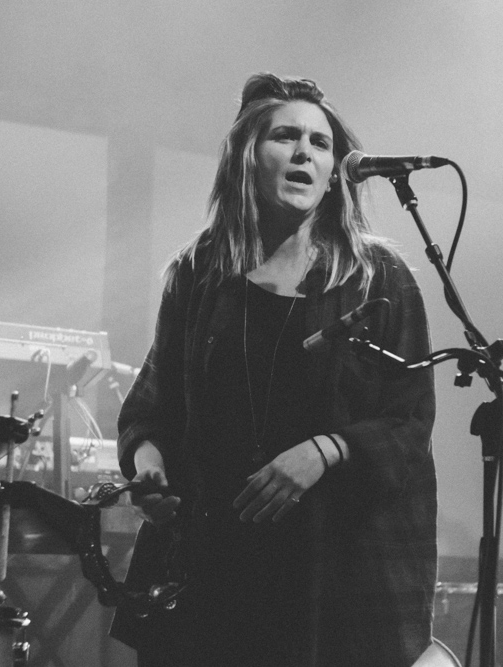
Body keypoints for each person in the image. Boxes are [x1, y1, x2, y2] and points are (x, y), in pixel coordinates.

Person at [109, 73, 438, 667]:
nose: (305, 152)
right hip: (214, 567)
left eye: (320, 142)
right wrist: (149, 467)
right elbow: (151, 409)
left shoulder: (377, 278)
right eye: (286, 136)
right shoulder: (199, 273)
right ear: (247, 157)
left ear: (337, 168)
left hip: (329, 581)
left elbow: (410, 424)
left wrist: (327, 450)